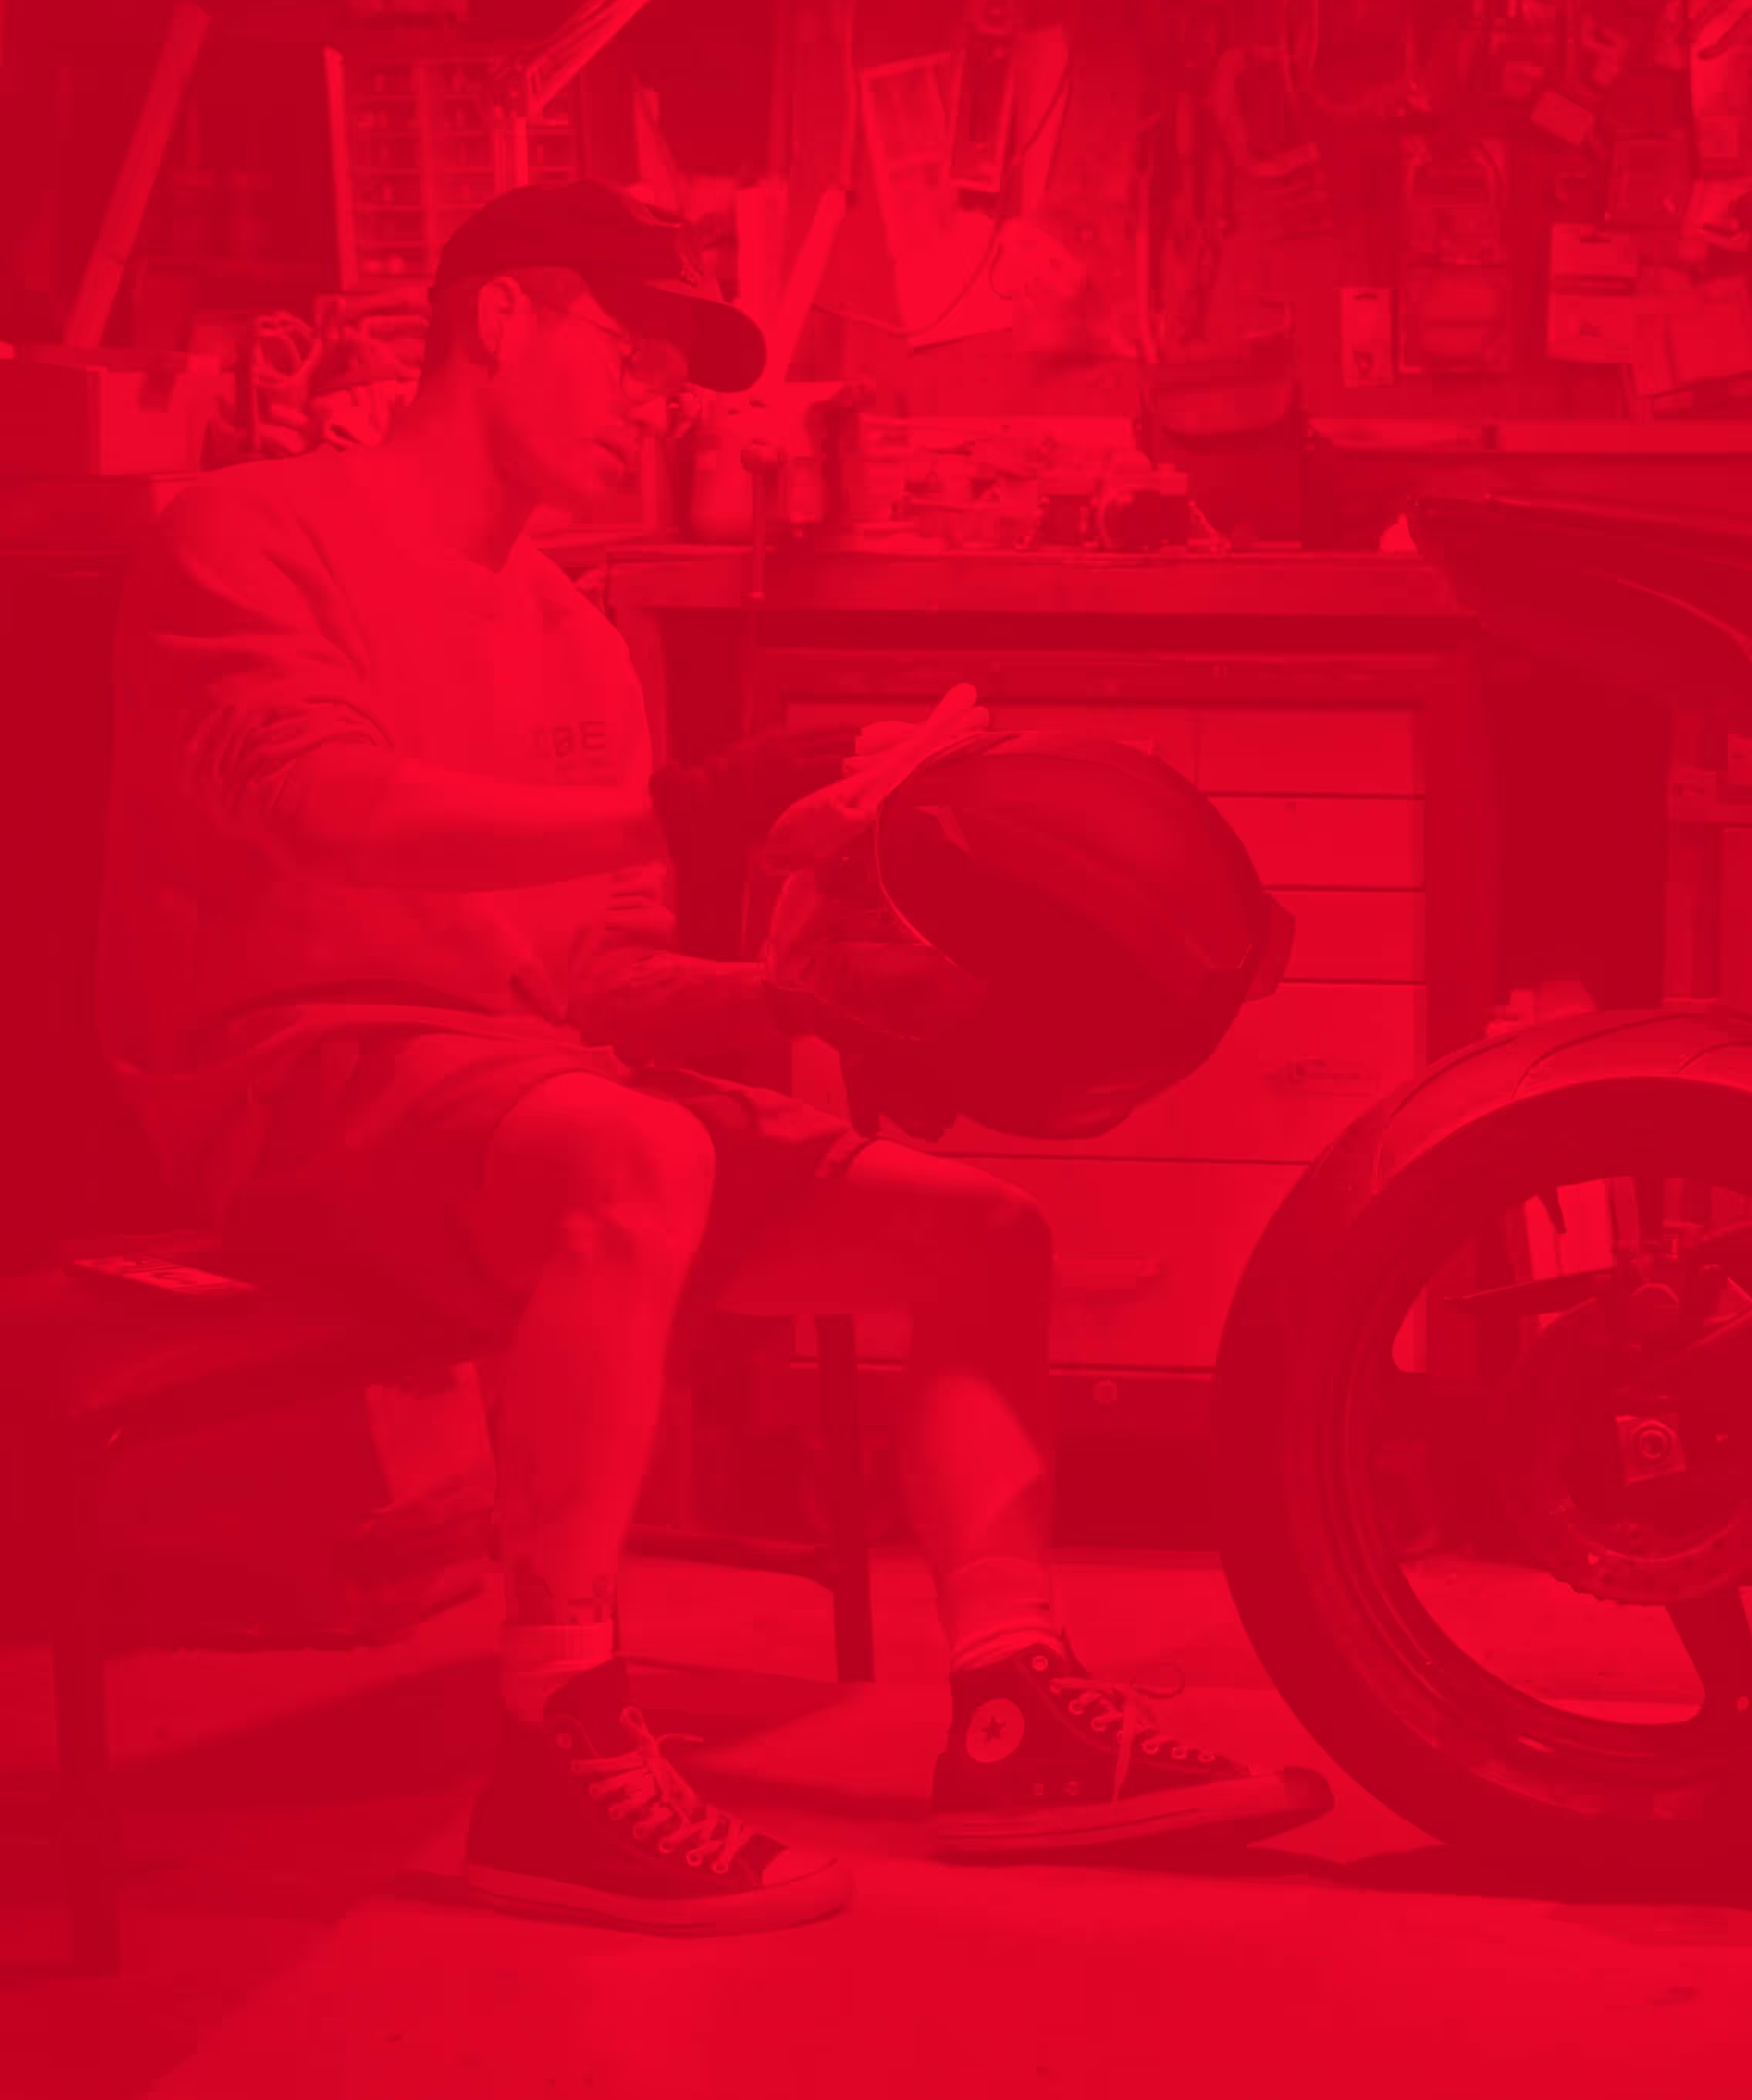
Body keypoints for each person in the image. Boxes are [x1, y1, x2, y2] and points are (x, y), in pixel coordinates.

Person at [99, 183, 1332, 1935]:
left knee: (982, 1236)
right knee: (637, 1155)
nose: (652, 402)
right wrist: (678, 808)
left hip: (510, 1093)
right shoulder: (249, 532)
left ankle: (1008, 1697)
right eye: (629, 350)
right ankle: (557, 1723)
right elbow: (327, 812)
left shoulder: (578, 639)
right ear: (499, 315)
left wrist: (811, 1002)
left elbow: (591, 974)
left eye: (675, 379)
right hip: (287, 1077)